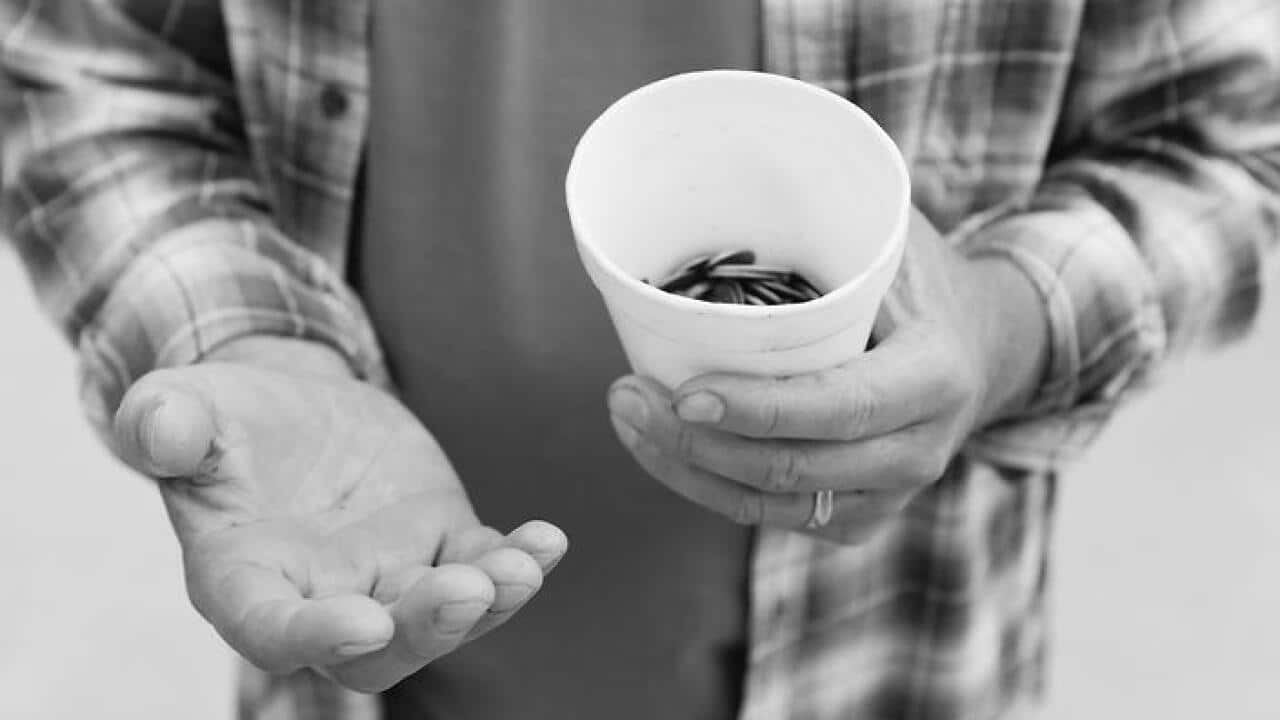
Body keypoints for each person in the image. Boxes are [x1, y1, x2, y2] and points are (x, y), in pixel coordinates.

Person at [2, 1, 1276, 718]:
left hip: (884, 663)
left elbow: (1236, 142)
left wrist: (1004, 324)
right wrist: (245, 329)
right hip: (366, 634)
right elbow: (86, 65)